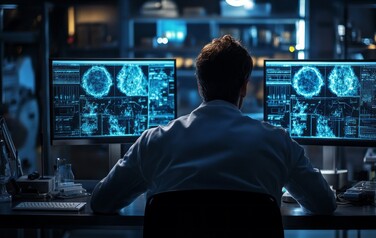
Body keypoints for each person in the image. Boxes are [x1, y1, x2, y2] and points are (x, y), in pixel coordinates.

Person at [90, 35, 336, 215]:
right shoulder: (277, 142)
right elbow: (324, 205)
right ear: (244, 86)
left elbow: (101, 202)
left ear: (200, 84)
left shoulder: (154, 142)